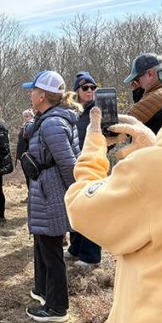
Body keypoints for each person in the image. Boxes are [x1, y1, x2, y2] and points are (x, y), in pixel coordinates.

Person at [66, 14, 162, 323]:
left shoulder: (154, 172)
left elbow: (82, 206)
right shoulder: (161, 166)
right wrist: (157, 151)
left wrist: (94, 145)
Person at [21, 70, 81, 323]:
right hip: (46, 191)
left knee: (52, 249)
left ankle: (57, 308)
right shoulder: (47, 119)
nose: (30, 94)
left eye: (33, 90)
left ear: (43, 95)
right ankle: (44, 291)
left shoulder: (53, 123)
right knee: (43, 245)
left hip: (53, 194)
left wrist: (75, 196)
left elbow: (68, 164)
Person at [67, 72, 102, 268]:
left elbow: (110, 135)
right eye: (85, 87)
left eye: (92, 87)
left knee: (90, 209)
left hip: (94, 165)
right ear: (77, 91)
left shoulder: (98, 110)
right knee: (75, 206)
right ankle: (75, 247)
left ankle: (91, 255)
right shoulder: (74, 111)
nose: (89, 91)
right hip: (75, 164)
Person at [123, 53, 162, 133]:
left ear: (150, 74)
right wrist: (139, 96)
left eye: (137, 79)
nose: (137, 84)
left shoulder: (156, 97)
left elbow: (123, 125)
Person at [16, 109, 35, 197]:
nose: (25, 118)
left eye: (27, 116)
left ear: (31, 116)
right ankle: (30, 195)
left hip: (28, 155)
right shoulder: (25, 126)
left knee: (30, 177)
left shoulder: (31, 126)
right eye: (24, 117)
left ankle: (31, 195)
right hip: (23, 155)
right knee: (27, 177)